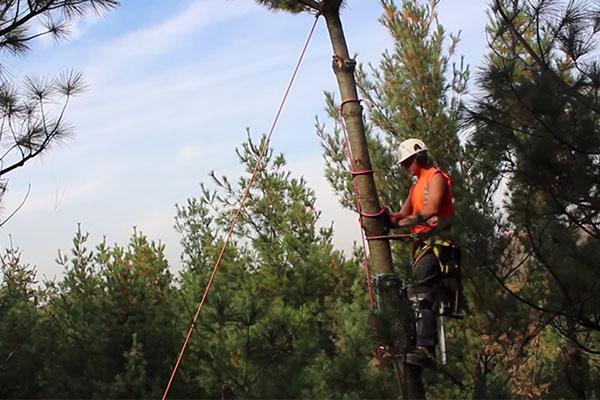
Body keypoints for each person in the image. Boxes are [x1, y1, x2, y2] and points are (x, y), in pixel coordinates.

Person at [388, 138, 455, 367]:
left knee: (421, 291)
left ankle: (426, 350)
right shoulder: (416, 186)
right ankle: (415, 344)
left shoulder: (435, 176)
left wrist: (404, 222)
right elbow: (401, 215)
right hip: (423, 245)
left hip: (439, 243)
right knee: (412, 293)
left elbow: (434, 207)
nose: (405, 167)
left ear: (418, 157)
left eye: (407, 162)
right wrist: (387, 218)